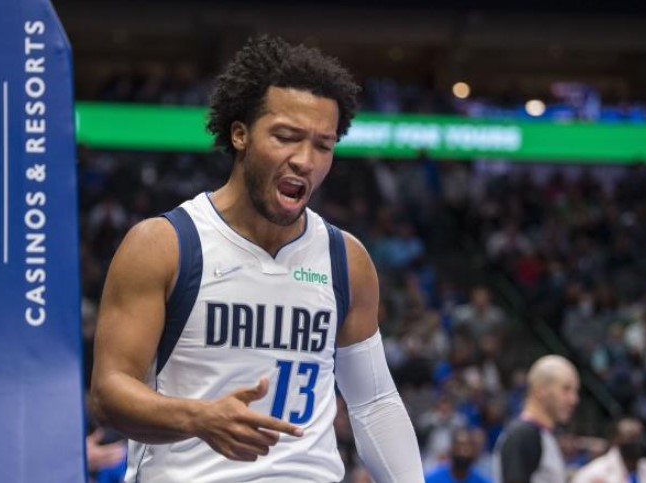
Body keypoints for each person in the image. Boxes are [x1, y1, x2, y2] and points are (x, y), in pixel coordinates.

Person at [90, 35, 424, 483]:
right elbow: (109, 392)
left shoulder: (346, 259)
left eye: (323, 145)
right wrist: (197, 418)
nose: (305, 160)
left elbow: (374, 403)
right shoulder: (164, 244)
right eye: (286, 137)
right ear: (240, 134)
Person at [493, 355, 580, 483]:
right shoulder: (524, 434)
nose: (574, 399)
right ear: (541, 390)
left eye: (575, 391)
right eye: (566, 389)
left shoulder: (541, 434)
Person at [571, 418, 646, 483]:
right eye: (631, 437)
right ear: (616, 440)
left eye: (639, 437)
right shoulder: (595, 473)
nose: (636, 442)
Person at [424, 427, 491, 483]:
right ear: (451, 450)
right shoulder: (431, 479)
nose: (462, 452)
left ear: (473, 452)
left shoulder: (482, 480)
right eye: (458, 447)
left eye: (466, 448)